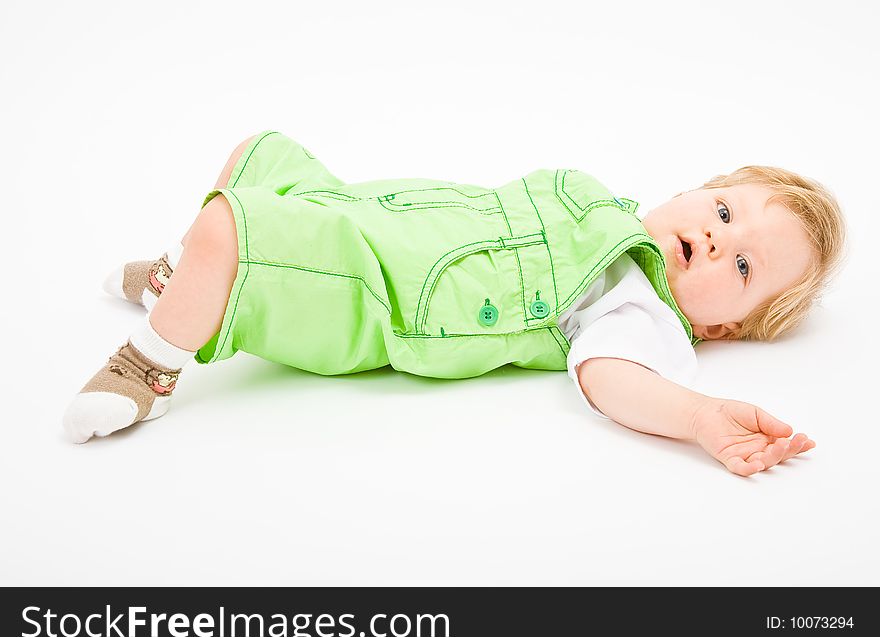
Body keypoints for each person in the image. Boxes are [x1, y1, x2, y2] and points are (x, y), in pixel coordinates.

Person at [62, 131, 846, 477]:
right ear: (689, 193)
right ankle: (180, 275)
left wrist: (699, 417)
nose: (716, 239)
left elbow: (610, 375)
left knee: (233, 224)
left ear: (718, 326)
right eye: (721, 211)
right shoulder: (604, 210)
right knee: (260, 155)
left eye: (742, 263)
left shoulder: (632, 304)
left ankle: (150, 364)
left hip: (377, 286)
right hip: (368, 213)